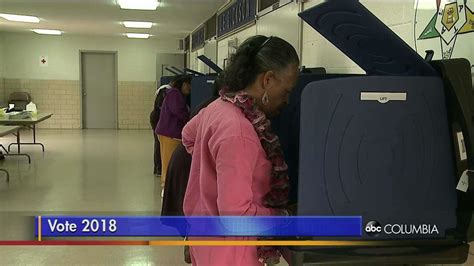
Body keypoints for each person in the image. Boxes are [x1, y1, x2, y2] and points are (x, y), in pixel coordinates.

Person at [182, 35, 299, 265]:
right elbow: (236, 217)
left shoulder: (218, 106)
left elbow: (187, 136)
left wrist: (211, 177)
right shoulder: (240, 131)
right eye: (286, 91)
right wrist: (284, 216)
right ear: (267, 79)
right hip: (231, 251)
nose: (287, 100)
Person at [155, 75, 192, 197]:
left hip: (170, 132)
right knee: (168, 160)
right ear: (182, 84)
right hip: (169, 133)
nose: (189, 87)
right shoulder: (175, 94)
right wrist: (190, 118)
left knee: (170, 160)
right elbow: (178, 112)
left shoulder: (175, 94)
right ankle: (165, 187)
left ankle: (168, 186)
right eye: (187, 84)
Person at [149, 83, 171, 177]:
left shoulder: (164, 88)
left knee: (158, 143)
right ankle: (158, 168)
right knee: (159, 143)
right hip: (157, 117)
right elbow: (160, 105)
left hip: (156, 116)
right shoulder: (166, 90)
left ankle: (157, 168)